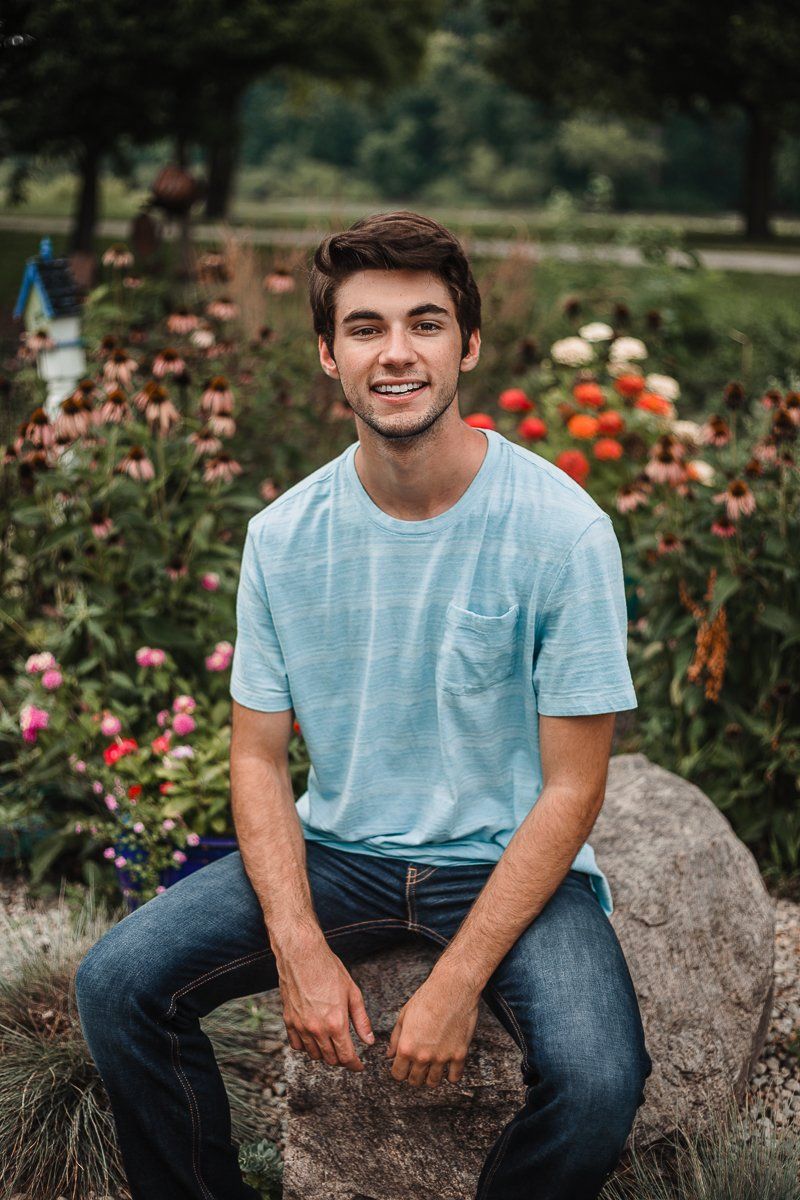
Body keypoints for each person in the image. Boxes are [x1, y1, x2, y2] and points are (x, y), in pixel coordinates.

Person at [76, 210, 653, 1200]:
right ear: (327, 356)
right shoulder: (284, 536)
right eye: (365, 328)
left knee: (598, 1082)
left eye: (424, 324)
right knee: (118, 984)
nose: (396, 353)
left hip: (502, 860)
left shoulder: (561, 530)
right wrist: (298, 952)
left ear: (466, 345)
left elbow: (570, 789)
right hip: (339, 854)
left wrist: (456, 982)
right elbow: (257, 757)